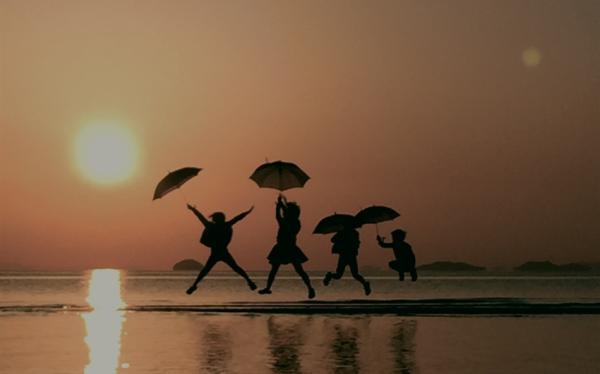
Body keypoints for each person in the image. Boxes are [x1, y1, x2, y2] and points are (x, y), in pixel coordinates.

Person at [185, 204, 257, 294]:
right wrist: (247, 212)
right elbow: (237, 218)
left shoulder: (211, 226)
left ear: (215, 219)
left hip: (216, 252)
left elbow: (201, 218)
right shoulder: (226, 225)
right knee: (235, 267)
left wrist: (193, 210)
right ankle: (249, 281)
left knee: (205, 270)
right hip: (223, 252)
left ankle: (194, 285)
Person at [259, 195, 316, 299]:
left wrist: (280, 206)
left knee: (297, 270)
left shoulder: (293, 222)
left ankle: (310, 288)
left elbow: (280, 217)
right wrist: (280, 206)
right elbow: (279, 216)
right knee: (278, 269)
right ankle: (268, 288)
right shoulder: (293, 222)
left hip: (287, 248)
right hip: (285, 247)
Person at [323, 223, 371, 295]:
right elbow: (333, 240)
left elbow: (333, 240)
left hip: (346, 255)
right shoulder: (353, 233)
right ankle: (365, 284)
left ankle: (329, 276)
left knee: (341, 275)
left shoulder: (343, 232)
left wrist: (340, 235)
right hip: (349, 255)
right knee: (354, 274)